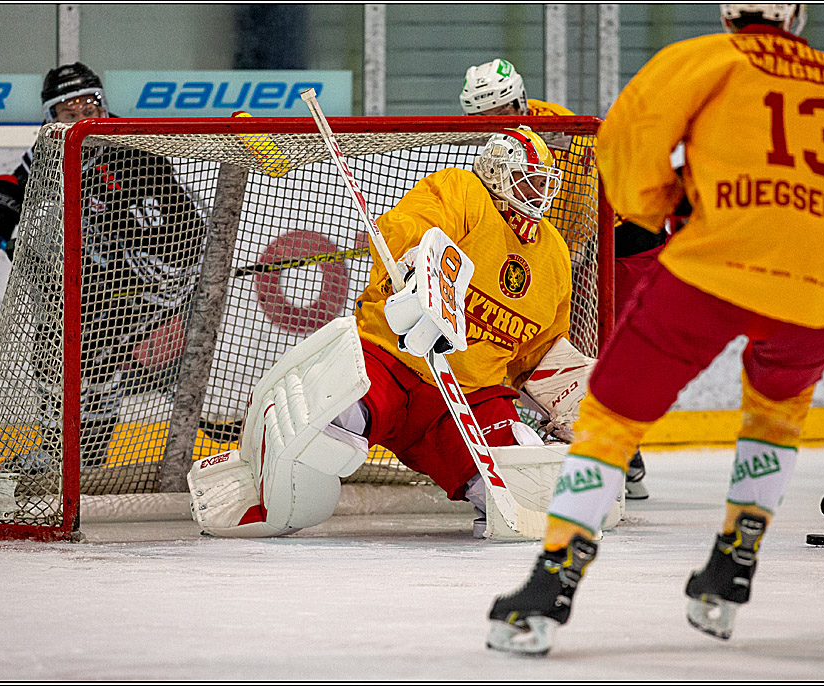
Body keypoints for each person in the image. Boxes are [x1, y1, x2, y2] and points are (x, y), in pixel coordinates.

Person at [486, 3, 824, 655]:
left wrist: (664, 206)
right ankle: (732, 567)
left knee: (609, 420)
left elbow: (625, 147)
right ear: (795, 15)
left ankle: (553, 581)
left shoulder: (700, 58)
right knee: (774, 418)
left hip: (713, 270)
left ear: (729, 10)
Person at [187, 126, 598, 539]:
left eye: (545, 181)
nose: (539, 190)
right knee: (325, 429)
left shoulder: (554, 255)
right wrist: (419, 270)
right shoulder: (463, 190)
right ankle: (256, 494)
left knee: (528, 477)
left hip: (467, 398)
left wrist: (570, 395)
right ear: (496, 172)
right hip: (389, 362)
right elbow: (407, 229)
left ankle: (492, 491)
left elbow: (540, 351)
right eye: (530, 177)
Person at [0, 63, 207, 476]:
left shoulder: (133, 152)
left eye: (88, 106)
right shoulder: (55, 145)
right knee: (52, 347)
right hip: (100, 272)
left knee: (90, 349)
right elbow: (19, 180)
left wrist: (124, 245)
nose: (81, 118)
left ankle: (81, 457)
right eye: (68, 111)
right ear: (51, 117)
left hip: (153, 277)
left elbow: (183, 235)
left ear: (104, 105)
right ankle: (67, 453)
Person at [460, 58, 652, 499]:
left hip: (615, 248)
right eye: (482, 119)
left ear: (517, 103)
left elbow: (579, 201)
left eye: (499, 115)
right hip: (577, 249)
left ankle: (621, 454)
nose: (492, 125)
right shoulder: (506, 142)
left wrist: (568, 253)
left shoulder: (564, 131)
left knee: (586, 352)